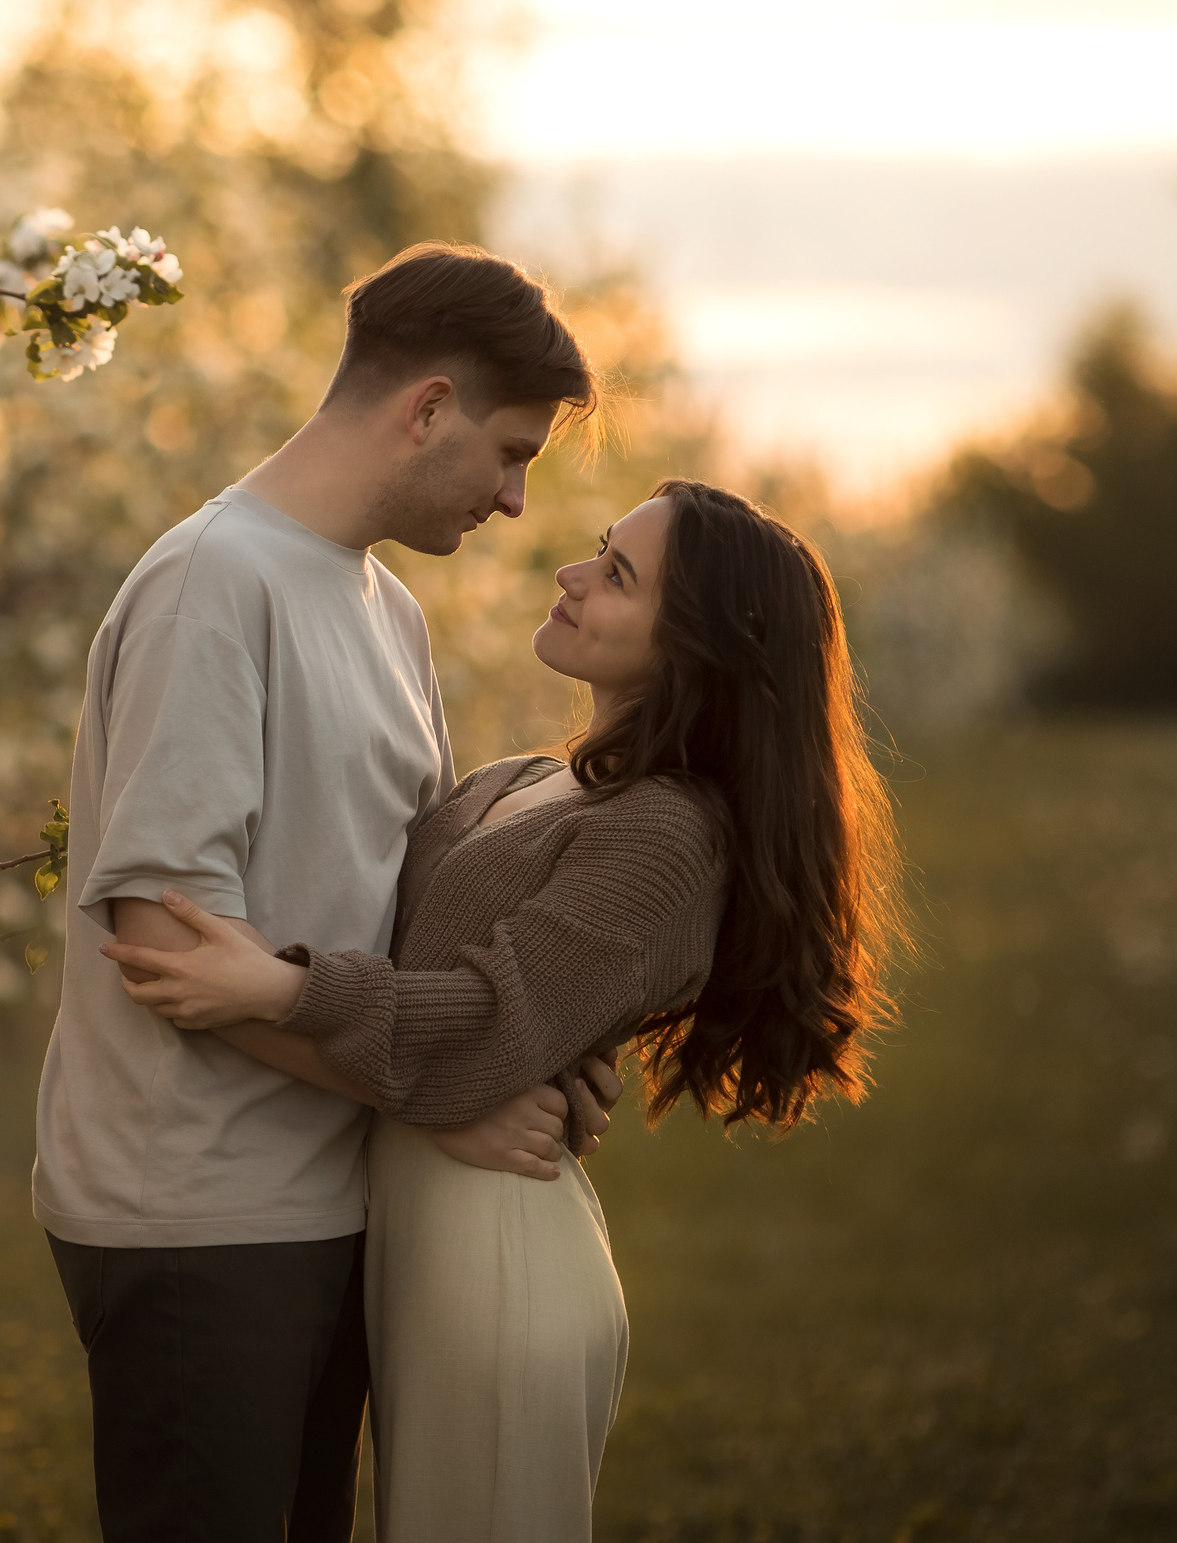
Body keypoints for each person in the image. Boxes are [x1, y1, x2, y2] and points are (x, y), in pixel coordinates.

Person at [106, 479, 907, 1542]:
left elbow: (490, 1023)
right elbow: (441, 970)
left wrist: (287, 989)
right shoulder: (528, 781)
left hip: (493, 1256)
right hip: (410, 1229)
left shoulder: (666, 833)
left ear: (695, 645)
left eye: (617, 575)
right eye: (597, 550)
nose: (571, 575)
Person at [31, 242, 614, 1543]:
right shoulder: (211, 584)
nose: (517, 500)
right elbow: (167, 950)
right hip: (196, 1213)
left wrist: (531, 1039)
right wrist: (443, 1097)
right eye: (511, 451)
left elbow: (404, 920)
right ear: (426, 407)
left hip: (332, 1191)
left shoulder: (385, 609)